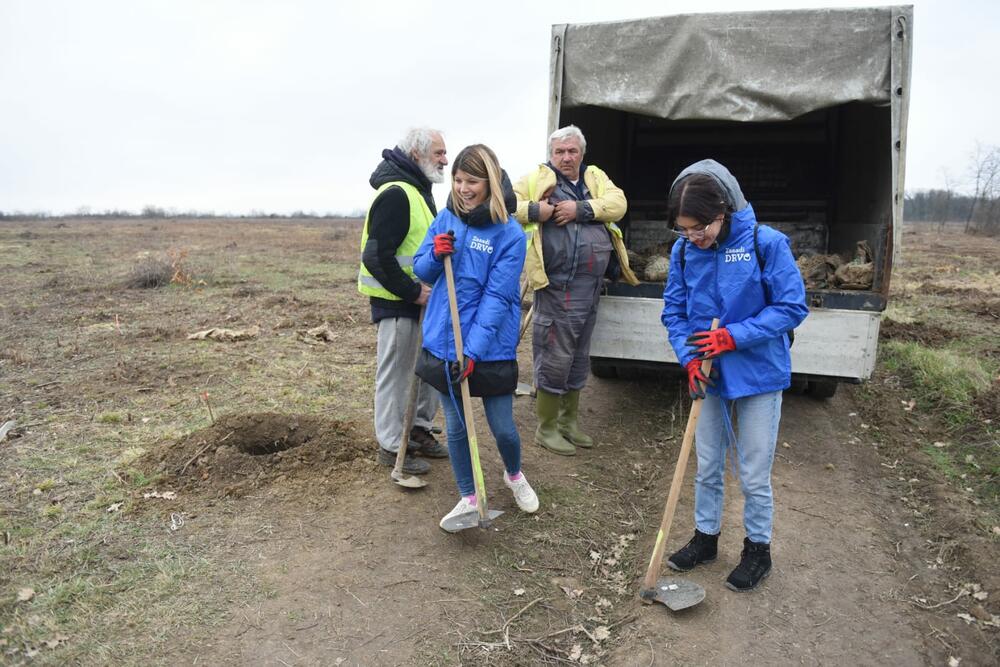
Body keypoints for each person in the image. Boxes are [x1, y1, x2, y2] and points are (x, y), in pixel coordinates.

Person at [660, 159, 808, 592]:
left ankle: (757, 550)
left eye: (698, 228)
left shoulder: (767, 243)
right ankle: (706, 539)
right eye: (684, 229)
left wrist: (734, 337)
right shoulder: (684, 251)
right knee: (707, 464)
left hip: (759, 374)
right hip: (708, 376)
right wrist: (688, 358)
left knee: (753, 471)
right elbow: (674, 311)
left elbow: (791, 307)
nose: (692, 237)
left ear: (722, 212)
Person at [412, 144, 539, 531]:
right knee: (456, 426)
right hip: (445, 340)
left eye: (472, 181)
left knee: (502, 426)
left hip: (489, 347)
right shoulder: (447, 217)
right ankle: (468, 496)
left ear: (491, 183)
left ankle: (513, 474)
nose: (463, 188)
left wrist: (474, 351)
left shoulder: (510, 234)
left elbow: (498, 297)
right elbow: (422, 270)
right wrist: (435, 253)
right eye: (458, 180)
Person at [513, 125, 640, 456]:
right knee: (554, 354)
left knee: (579, 356)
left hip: (591, 286)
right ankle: (547, 428)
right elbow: (506, 203)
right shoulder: (537, 180)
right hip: (557, 286)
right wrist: (535, 210)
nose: (566, 157)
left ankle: (569, 423)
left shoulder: (595, 178)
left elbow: (618, 203)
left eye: (572, 151)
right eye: (560, 152)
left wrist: (580, 210)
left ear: (582, 153)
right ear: (550, 155)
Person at [358, 127, 450, 475]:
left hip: (423, 305)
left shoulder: (418, 191)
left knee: (426, 373)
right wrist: (412, 292)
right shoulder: (397, 194)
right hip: (398, 305)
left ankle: (418, 430)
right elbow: (376, 256)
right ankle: (391, 445)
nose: (445, 159)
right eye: (439, 153)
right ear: (417, 155)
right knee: (396, 377)